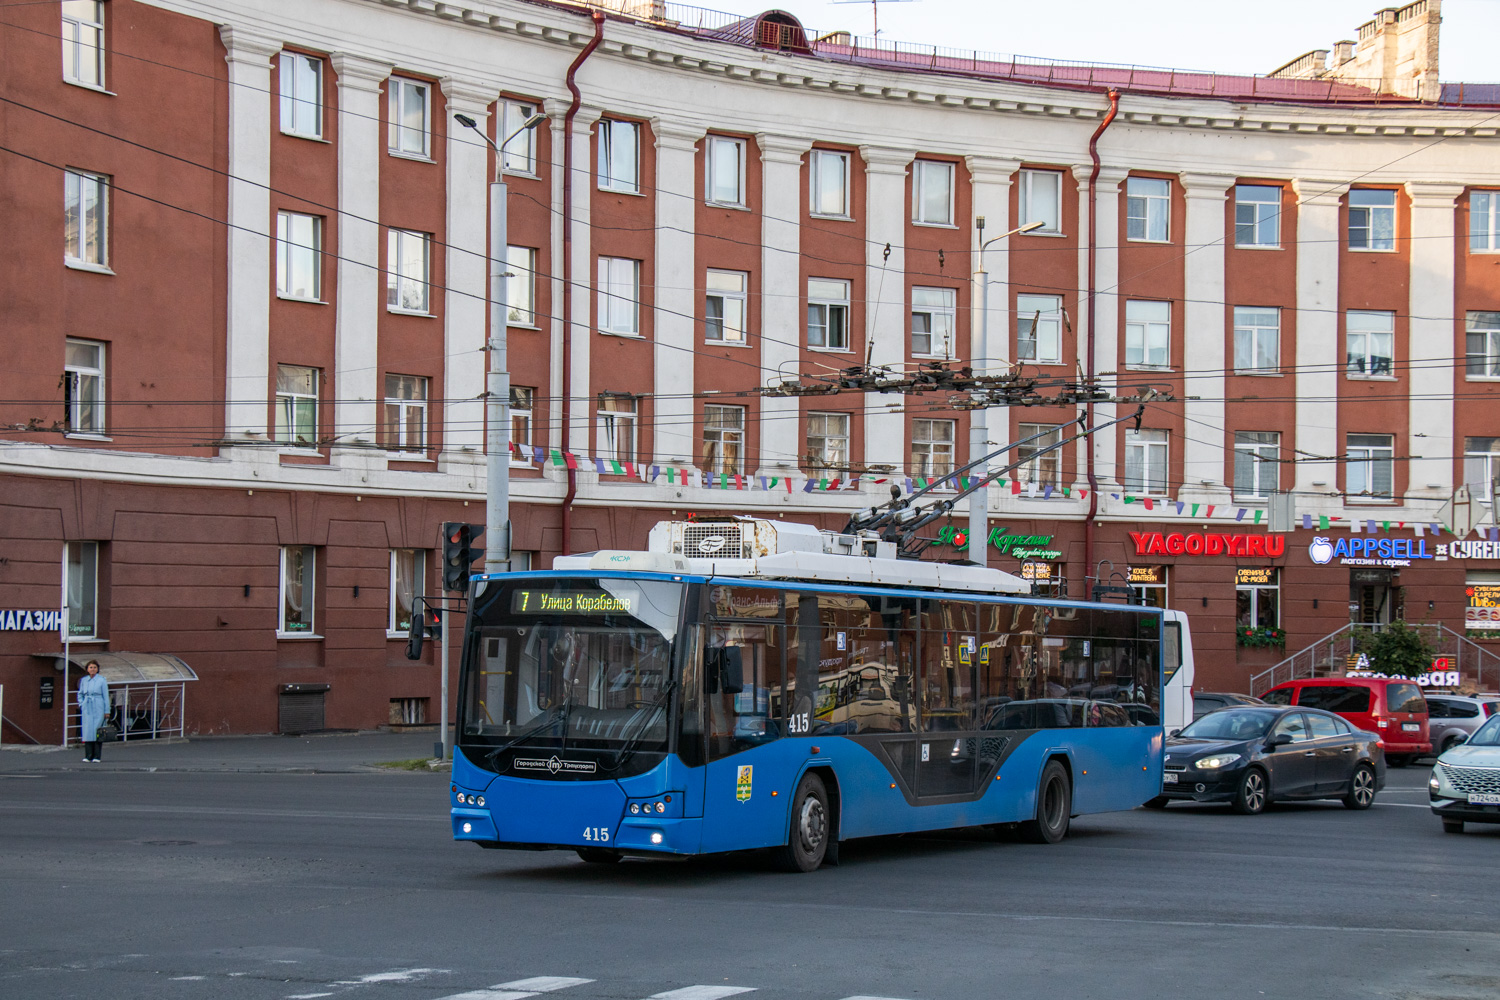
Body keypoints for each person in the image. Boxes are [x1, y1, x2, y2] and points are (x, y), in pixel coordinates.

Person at [77, 659, 110, 763]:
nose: (92, 669)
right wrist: (81, 704)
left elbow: (106, 696)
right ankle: (88, 755)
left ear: (98, 669)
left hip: (98, 705)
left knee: (97, 731)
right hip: (87, 706)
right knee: (87, 731)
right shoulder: (84, 680)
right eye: (91, 667)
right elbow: (80, 694)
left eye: (95, 667)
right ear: (87, 669)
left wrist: (106, 710)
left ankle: (97, 756)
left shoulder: (102, 680)